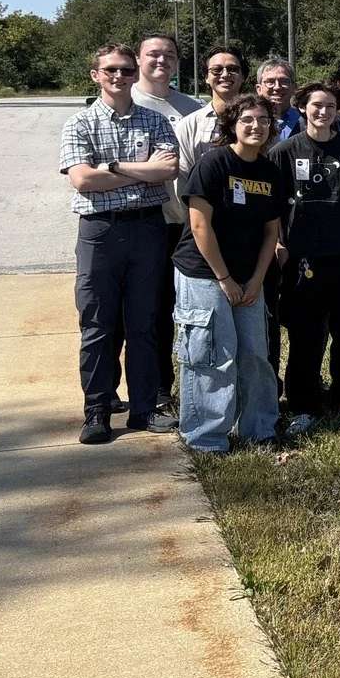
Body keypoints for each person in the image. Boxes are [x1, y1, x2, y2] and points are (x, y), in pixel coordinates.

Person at [58, 43, 180, 443]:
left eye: (127, 71)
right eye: (110, 70)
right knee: (97, 324)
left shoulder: (154, 120)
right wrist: (138, 172)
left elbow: (167, 170)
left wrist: (109, 167)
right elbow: (82, 180)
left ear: (134, 74)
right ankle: (97, 410)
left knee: (144, 323)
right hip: (100, 231)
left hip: (147, 229)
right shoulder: (79, 124)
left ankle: (143, 410)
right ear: (96, 75)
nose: (119, 77)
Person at [173, 94, 287, 453]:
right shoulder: (214, 164)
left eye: (264, 120)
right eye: (248, 120)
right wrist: (224, 279)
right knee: (212, 356)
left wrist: (255, 281)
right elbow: (199, 225)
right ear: (232, 126)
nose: (257, 126)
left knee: (255, 354)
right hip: (205, 275)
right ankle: (206, 438)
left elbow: (272, 231)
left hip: (248, 277)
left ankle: (259, 428)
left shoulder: (270, 171)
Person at [268, 82, 340, 432]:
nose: (323, 112)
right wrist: (280, 247)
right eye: (316, 105)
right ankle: (304, 405)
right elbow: (272, 208)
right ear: (302, 108)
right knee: (305, 336)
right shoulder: (284, 151)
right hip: (303, 258)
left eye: (330, 106)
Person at [124, 31, 200, 408]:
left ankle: (196, 385)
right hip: (148, 222)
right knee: (151, 312)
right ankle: (156, 389)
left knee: (192, 311)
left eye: (169, 55)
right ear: (138, 59)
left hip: (191, 226)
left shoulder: (193, 107)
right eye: (153, 54)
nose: (161, 61)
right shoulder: (127, 101)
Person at [174, 44, 247, 195]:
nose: (225, 74)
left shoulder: (260, 123)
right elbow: (182, 179)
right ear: (206, 77)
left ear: (243, 77)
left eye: (233, 69)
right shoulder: (188, 126)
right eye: (217, 70)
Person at [256, 58, 302, 140]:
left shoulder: (304, 120)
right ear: (259, 89)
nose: (277, 87)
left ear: (294, 87)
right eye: (270, 82)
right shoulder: (249, 121)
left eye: (284, 81)